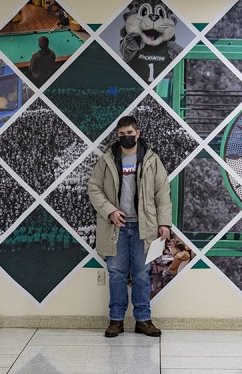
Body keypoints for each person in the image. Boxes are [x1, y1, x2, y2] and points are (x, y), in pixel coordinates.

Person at [88, 115, 171, 338]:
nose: (126, 137)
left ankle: (143, 320)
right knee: (116, 274)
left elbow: (162, 193)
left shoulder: (152, 160)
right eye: (122, 134)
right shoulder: (107, 159)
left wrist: (164, 223)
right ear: (118, 135)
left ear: (138, 133)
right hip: (116, 227)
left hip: (145, 227)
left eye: (129, 134)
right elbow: (94, 188)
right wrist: (110, 211)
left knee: (143, 275)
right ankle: (116, 320)